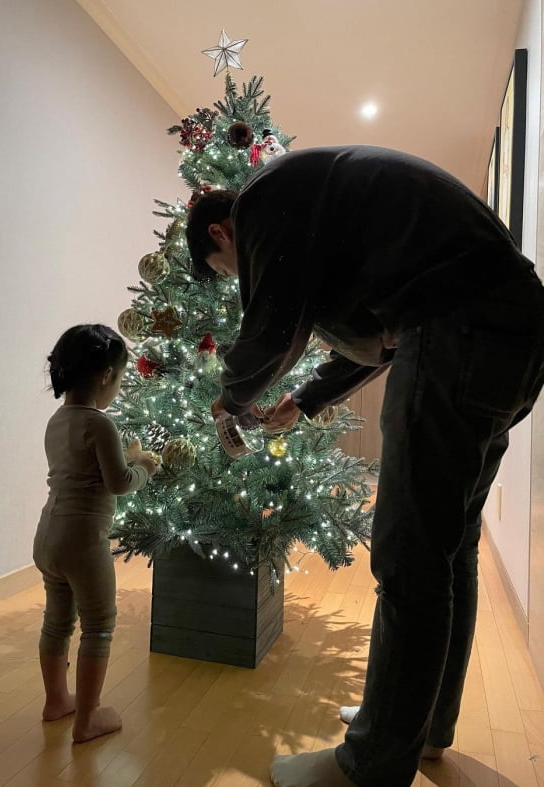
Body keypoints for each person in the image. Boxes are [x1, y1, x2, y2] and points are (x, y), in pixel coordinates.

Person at [185, 146, 544, 787]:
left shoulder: (263, 199)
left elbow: (272, 326)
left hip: (456, 332)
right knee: (448, 545)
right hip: (515, 336)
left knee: (409, 555)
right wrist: (306, 399)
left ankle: (371, 764)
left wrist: (229, 401)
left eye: (227, 266)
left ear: (221, 232)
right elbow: (383, 332)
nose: (242, 273)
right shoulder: (323, 197)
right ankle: (420, 726)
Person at [33, 324, 157, 743]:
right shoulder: (100, 424)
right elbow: (118, 481)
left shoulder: (56, 419)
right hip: (83, 541)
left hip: (48, 533)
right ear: (106, 375)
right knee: (99, 624)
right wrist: (145, 466)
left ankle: (56, 701)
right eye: (120, 379)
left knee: (57, 621)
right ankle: (87, 720)